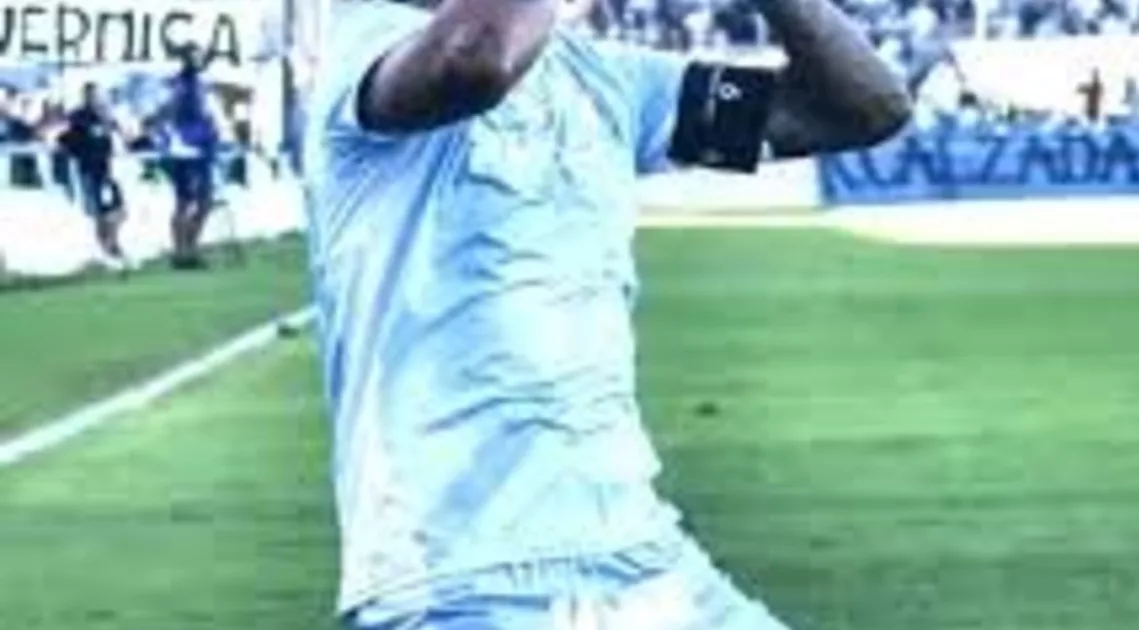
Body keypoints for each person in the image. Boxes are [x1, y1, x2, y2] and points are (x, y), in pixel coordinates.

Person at [304, 0, 910, 628]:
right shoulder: (367, 41)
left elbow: (862, 110)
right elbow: (475, 58)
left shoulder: (605, 78)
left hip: (643, 563)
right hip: (461, 581)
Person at [160, 44, 220, 270]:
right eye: (195, 57)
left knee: (205, 201)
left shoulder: (200, 84)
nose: (199, 60)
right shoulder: (181, 85)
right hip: (187, 150)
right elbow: (171, 114)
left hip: (203, 149)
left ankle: (190, 246)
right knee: (185, 201)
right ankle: (180, 251)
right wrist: (177, 140)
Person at [60, 83, 128, 269]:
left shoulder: (107, 116)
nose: (98, 100)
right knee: (99, 213)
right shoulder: (78, 117)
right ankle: (106, 250)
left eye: (100, 96)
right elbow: (66, 139)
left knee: (119, 211)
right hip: (89, 170)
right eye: (94, 96)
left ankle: (111, 244)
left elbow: (121, 134)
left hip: (108, 170)